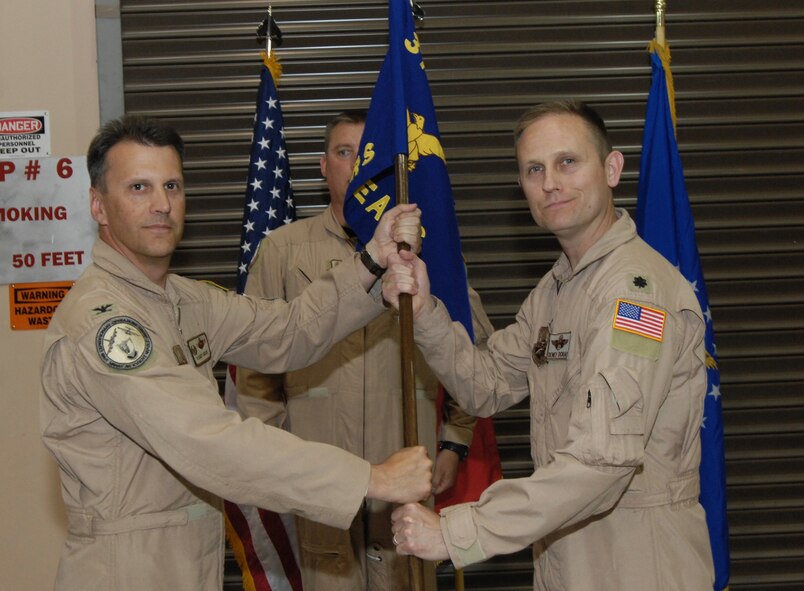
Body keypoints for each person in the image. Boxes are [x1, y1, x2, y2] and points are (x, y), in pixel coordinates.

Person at [39, 115, 433, 591]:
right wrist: (368, 479)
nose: (161, 204)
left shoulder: (181, 298)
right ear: (98, 205)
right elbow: (206, 439)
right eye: (138, 187)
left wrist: (370, 261)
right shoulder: (103, 322)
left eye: (171, 186)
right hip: (126, 568)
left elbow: (286, 330)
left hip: (186, 557)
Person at [383, 100, 715, 590]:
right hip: (566, 552)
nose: (550, 183)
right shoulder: (557, 289)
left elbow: (602, 461)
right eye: (534, 170)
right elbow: (484, 386)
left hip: (636, 562)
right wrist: (425, 310)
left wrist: (459, 532)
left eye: (567, 162)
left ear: (612, 169)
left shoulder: (634, 294)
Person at [236, 110, 494, 591]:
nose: (356, 166)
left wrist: (455, 441)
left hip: (406, 465)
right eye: (343, 152)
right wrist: (274, 461)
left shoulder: (425, 249)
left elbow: (472, 351)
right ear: (323, 166)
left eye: (367, 155)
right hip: (316, 473)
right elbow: (253, 370)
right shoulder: (283, 251)